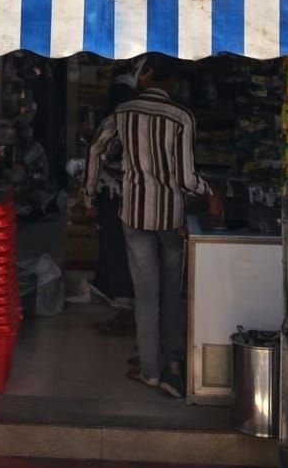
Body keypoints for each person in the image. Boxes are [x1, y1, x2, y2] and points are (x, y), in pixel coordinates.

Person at [85, 55, 207, 398]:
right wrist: (208, 191)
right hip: (171, 216)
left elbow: (96, 151)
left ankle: (151, 372)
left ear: (149, 75)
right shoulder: (182, 117)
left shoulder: (123, 113)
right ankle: (174, 366)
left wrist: (89, 192)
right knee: (173, 292)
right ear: (172, 82)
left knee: (146, 295)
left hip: (134, 215)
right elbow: (186, 178)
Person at [88, 62, 140, 334]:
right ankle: (129, 314)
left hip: (117, 193)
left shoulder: (117, 114)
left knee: (118, 252)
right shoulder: (139, 111)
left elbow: (98, 152)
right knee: (125, 254)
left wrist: (88, 191)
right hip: (134, 195)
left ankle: (126, 314)